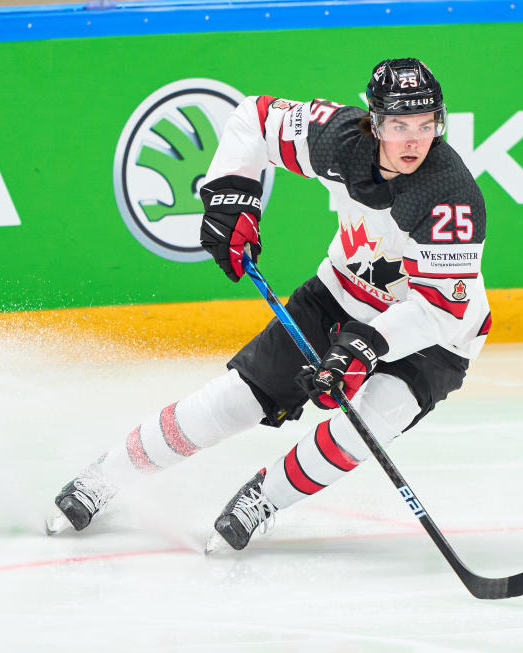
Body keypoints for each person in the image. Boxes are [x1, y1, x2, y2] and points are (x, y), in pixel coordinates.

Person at [46, 58, 491, 553]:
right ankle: (105, 477)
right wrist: (232, 196)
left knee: (366, 425)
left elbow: (440, 310)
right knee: (233, 400)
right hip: (341, 295)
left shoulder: (449, 197)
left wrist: (364, 348)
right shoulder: (340, 139)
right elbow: (254, 119)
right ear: (374, 121)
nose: (414, 140)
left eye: (427, 125)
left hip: (435, 336)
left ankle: (264, 498)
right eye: (399, 125)